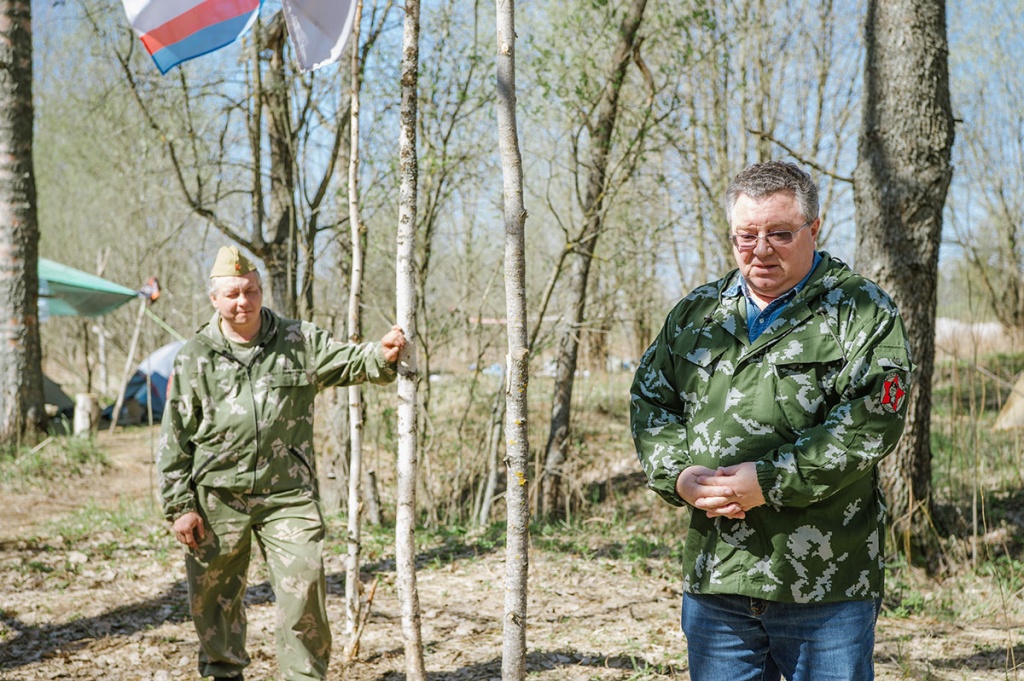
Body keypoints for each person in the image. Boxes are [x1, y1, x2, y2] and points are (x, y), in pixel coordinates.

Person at [630, 161, 913, 681]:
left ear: (814, 229)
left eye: (781, 234)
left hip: (825, 583)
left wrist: (769, 480)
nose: (761, 250)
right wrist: (678, 476)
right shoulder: (697, 314)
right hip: (719, 578)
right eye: (747, 235)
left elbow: (873, 419)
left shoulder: (859, 310)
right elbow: (652, 401)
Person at [157, 246, 406, 681]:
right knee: (214, 603)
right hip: (217, 499)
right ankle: (223, 674)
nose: (243, 302)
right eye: (232, 294)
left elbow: (347, 361)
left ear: (260, 290)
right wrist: (180, 506)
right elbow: (174, 438)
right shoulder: (194, 355)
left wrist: (380, 355)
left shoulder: (297, 340)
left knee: (303, 589)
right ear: (214, 299)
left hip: (286, 494)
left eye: (251, 291)